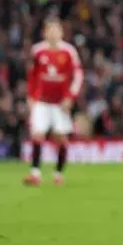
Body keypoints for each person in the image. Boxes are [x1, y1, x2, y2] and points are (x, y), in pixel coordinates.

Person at [24, 17, 84, 186]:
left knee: (61, 138)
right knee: (37, 134)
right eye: (50, 30)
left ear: (61, 33)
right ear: (44, 33)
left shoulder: (69, 51)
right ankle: (35, 174)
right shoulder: (37, 51)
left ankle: (58, 173)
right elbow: (32, 75)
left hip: (60, 103)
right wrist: (31, 96)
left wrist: (70, 97)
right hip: (41, 101)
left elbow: (78, 75)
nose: (53, 33)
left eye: (56, 30)